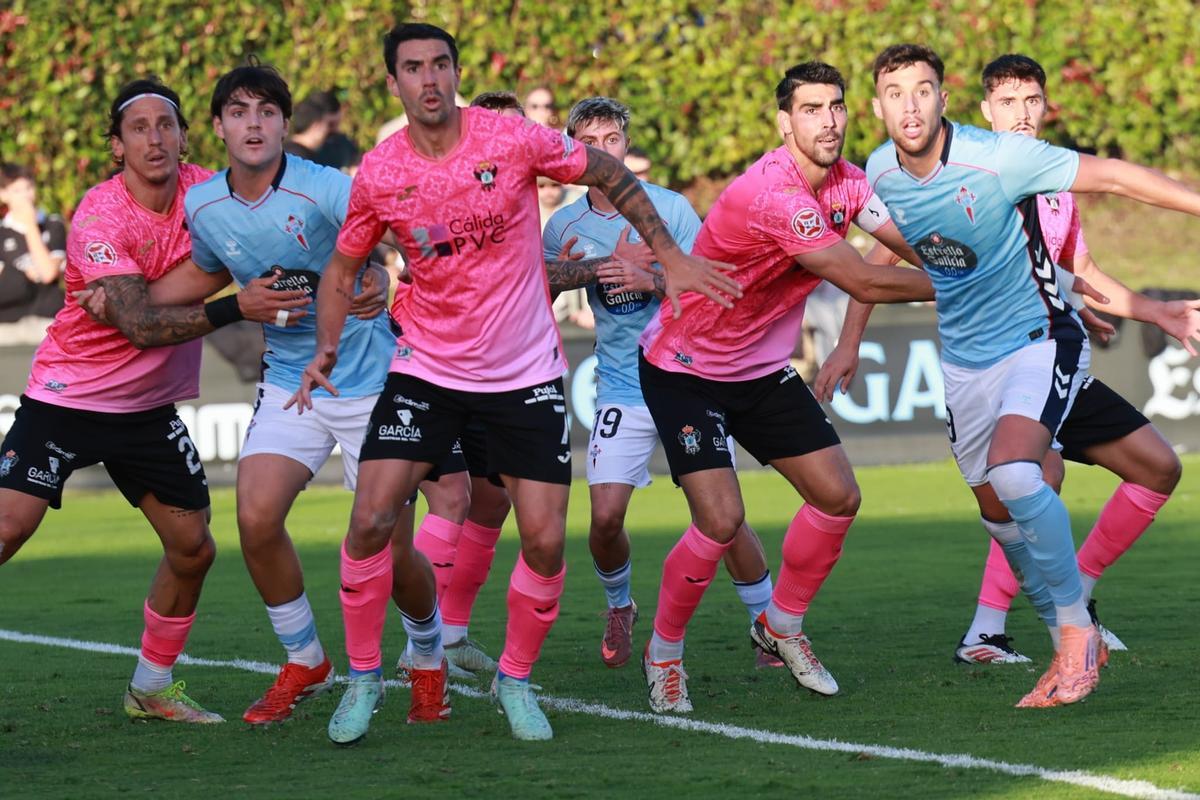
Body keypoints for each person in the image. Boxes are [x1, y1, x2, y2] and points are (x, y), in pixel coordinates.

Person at [290, 22, 737, 743]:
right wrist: (327, 347)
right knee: (372, 519)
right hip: (427, 368)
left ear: (456, 72)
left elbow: (609, 171)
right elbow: (344, 266)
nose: (429, 79)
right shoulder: (378, 171)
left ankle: (517, 679)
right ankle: (367, 676)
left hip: (524, 371)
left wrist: (666, 255)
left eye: (440, 65)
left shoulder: (508, 138)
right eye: (413, 68)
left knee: (545, 542)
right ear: (394, 81)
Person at [864, 44, 1200, 707]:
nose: (909, 103)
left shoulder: (1004, 159)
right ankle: (1036, 627)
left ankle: (1074, 630)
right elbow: (894, 258)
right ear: (878, 106)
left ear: (945, 99)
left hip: (1037, 339)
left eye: (922, 89)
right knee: (999, 508)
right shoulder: (878, 171)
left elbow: (1114, 178)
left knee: (1025, 473)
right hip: (965, 364)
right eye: (894, 91)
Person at [0, 78, 304, 724]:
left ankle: (150, 687)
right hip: (69, 397)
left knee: (193, 546)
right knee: (6, 528)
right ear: (117, 146)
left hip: (146, 411)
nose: (154, 138)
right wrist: (232, 306)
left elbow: (268, 230)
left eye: (165, 125)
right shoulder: (100, 215)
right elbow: (138, 326)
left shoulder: (208, 191)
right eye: (137, 128)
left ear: (186, 136)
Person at [635, 62, 933, 713]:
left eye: (836, 106)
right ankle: (663, 654)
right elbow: (863, 279)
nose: (827, 121)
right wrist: (971, 285)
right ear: (784, 121)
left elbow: (909, 246)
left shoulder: (852, 183)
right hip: (685, 367)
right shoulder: (775, 193)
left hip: (760, 370)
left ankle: (780, 624)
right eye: (810, 109)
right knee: (720, 520)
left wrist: (978, 257)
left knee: (838, 496)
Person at [950, 55, 1194, 664]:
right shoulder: (964, 177)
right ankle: (991, 630)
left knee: (1159, 468)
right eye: (1008, 102)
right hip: (1004, 366)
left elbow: (1083, 272)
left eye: (1032, 100)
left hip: (1060, 364)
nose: (1023, 113)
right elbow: (883, 261)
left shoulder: (1058, 184)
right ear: (986, 110)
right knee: (1037, 476)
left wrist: (1158, 313)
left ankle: (1076, 595)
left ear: (1046, 104)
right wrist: (849, 341)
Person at [542, 96, 782, 670]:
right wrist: (587, 271)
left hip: (685, 379)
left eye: (613, 139)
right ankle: (620, 605)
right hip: (622, 387)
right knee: (603, 520)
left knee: (724, 517)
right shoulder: (563, 224)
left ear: (627, 144)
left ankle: (770, 626)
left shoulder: (670, 210)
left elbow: (710, 292)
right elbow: (538, 289)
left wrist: (647, 278)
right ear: (575, 149)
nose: (604, 151)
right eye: (590, 141)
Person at [0, 164, 66, 337]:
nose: (25, 196)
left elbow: (47, 273)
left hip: (46, 322)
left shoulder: (53, 225)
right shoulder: (2, 233)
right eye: (17, 191)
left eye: (28, 188)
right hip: (7, 324)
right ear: (3, 194)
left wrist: (30, 225)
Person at [283, 96, 329, 161]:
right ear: (316, 126)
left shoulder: (285, 150)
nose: (327, 131)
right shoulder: (301, 159)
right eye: (326, 125)